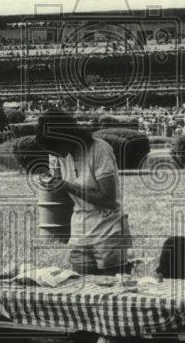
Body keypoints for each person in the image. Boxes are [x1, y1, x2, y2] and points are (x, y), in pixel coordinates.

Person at [35, 108, 129, 275]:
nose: (52, 153)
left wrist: (68, 187)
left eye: (54, 147)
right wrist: (53, 185)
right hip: (80, 232)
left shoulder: (100, 150)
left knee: (113, 293)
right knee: (82, 292)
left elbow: (108, 199)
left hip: (108, 233)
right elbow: (69, 193)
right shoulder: (62, 155)